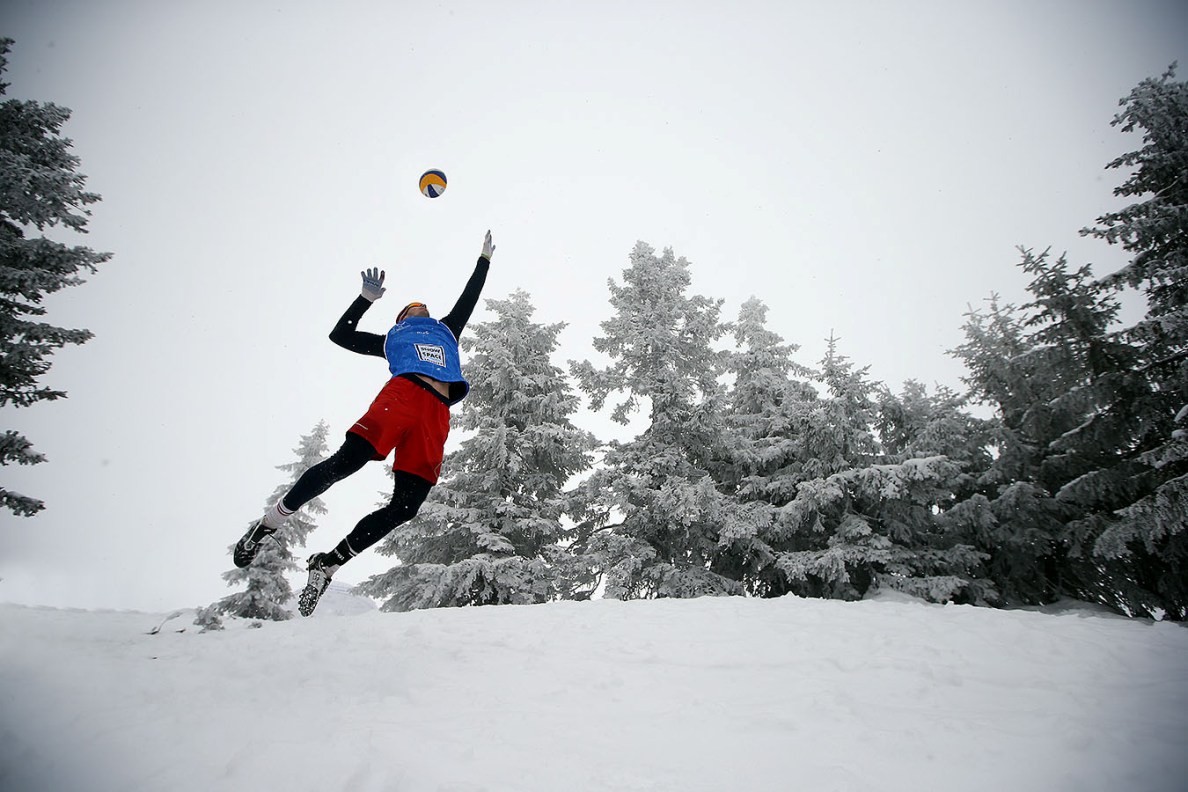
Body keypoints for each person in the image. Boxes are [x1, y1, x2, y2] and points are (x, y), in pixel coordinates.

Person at [233, 230, 494, 616]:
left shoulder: (446, 330)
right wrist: (365, 300)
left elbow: (467, 299)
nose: (418, 307)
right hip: (402, 397)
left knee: (406, 507)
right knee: (346, 463)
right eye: (410, 307)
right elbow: (341, 335)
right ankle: (269, 523)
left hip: (437, 413)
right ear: (401, 318)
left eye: (423, 305)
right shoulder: (392, 338)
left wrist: (483, 261)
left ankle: (329, 563)